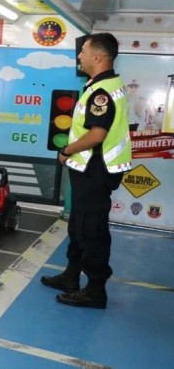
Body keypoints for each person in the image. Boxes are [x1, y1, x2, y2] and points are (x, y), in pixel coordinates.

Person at [42, 33, 132, 309]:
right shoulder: (100, 86)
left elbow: (96, 134)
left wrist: (66, 150)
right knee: (79, 225)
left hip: (96, 170)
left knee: (92, 230)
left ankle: (95, 290)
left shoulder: (102, 92)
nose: (79, 55)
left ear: (98, 57)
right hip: (89, 169)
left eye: (83, 51)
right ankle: (71, 276)